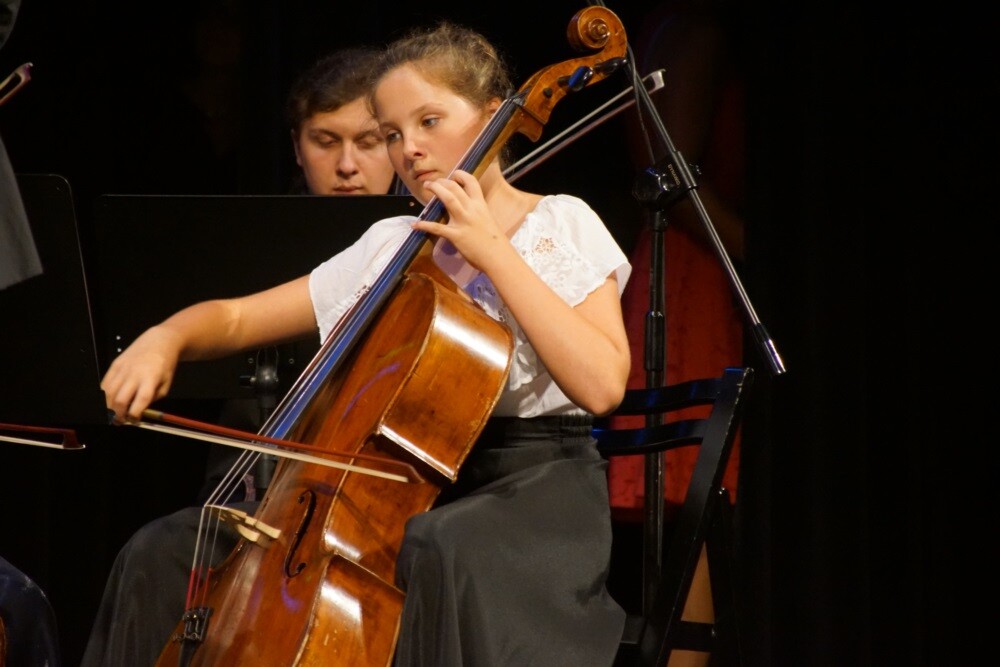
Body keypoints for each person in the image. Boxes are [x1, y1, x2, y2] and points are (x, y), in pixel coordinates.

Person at [88, 21, 631, 666]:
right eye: (394, 134)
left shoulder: (558, 219)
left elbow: (602, 385)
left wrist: (491, 250)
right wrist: (165, 338)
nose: (410, 151)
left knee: (438, 547)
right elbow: (236, 319)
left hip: (534, 491)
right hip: (406, 487)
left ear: (495, 115)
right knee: (165, 548)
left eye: (429, 122)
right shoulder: (393, 242)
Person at [80, 46, 397, 667]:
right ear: (296, 146)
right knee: (153, 553)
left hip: (382, 500)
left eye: (368, 141)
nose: (348, 165)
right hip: (268, 493)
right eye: (325, 141)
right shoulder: (257, 249)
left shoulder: (421, 243)